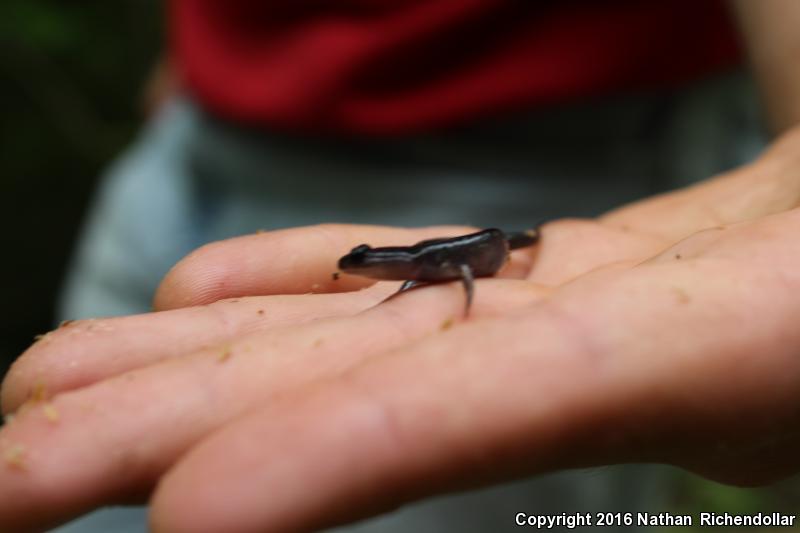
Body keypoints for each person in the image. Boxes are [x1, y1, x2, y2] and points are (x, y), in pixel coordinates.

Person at [2, 1, 800, 531]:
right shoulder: (396, 267)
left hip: (564, 140)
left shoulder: (426, 267)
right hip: (210, 118)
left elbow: (454, 267)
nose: (362, 270)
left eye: (368, 267)